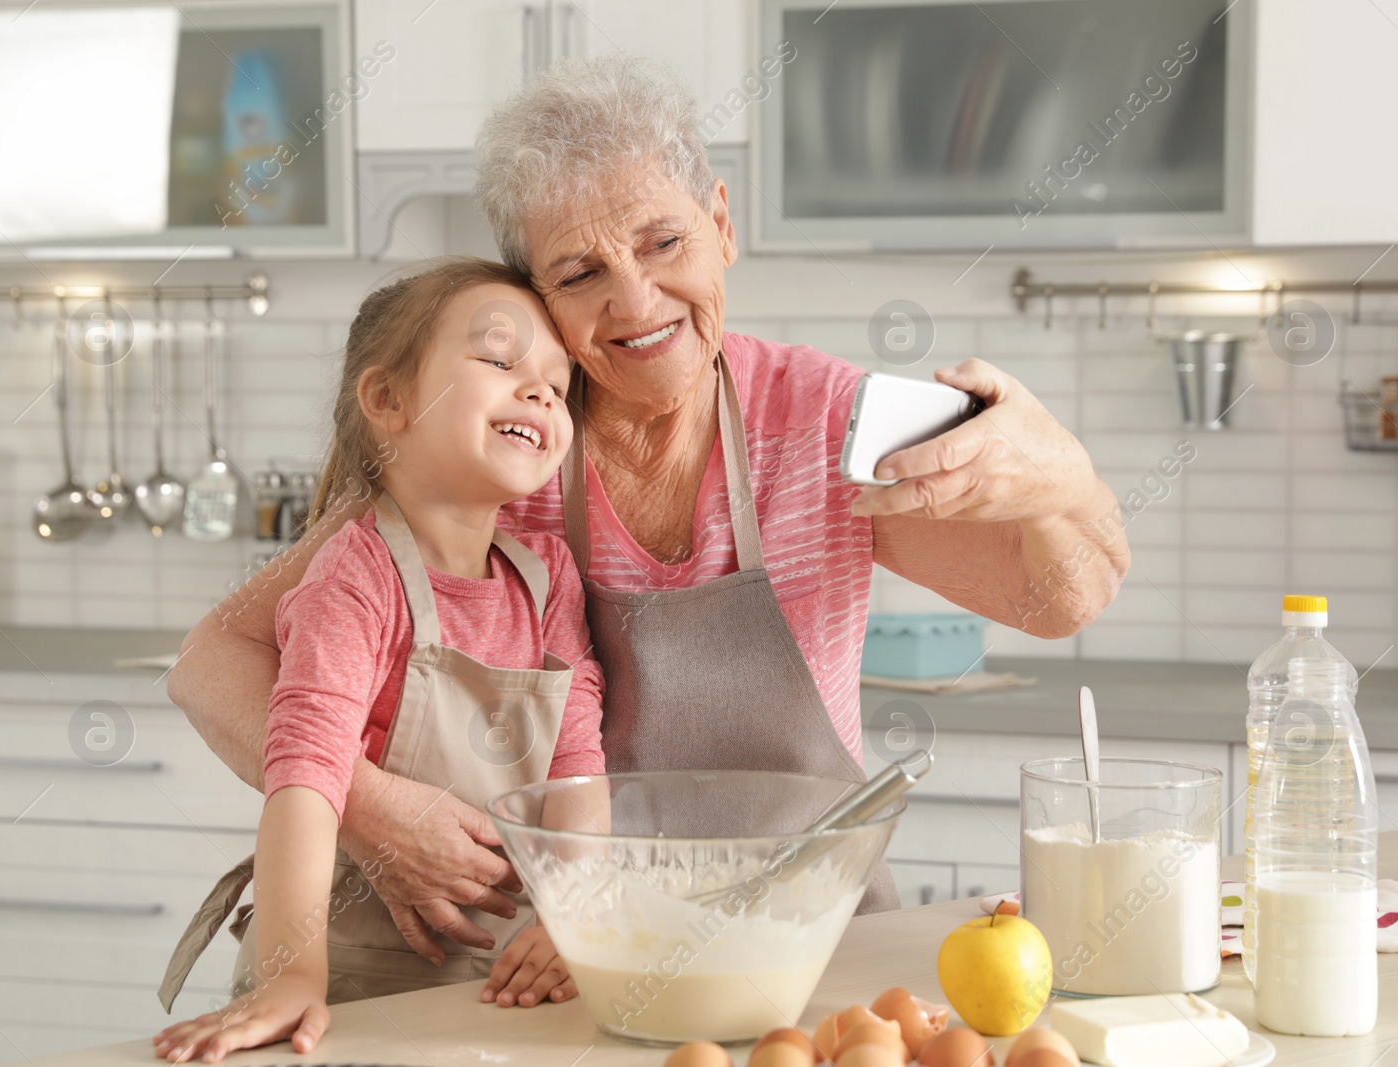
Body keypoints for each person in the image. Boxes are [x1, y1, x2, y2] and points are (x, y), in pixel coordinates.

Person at [168, 58, 1128, 969]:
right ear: (532, 294)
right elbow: (215, 661)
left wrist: (1063, 482)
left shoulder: (824, 419)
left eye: (663, 243)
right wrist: (372, 809)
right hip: (579, 955)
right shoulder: (506, 449)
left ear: (721, 224)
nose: (635, 301)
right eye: (578, 273)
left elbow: (1059, 599)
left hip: (808, 941)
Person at [153, 258, 606, 1063]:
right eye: (501, 362)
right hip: (352, 987)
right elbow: (305, 779)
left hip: (501, 990)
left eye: (557, 383)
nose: (541, 392)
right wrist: (292, 979)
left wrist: (575, 909)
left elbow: (576, 767)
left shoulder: (548, 578)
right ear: (388, 401)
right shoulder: (354, 576)